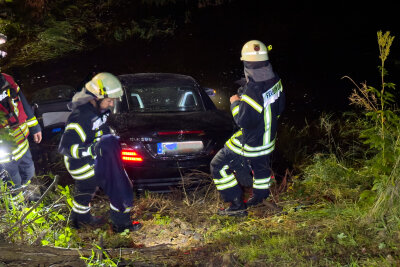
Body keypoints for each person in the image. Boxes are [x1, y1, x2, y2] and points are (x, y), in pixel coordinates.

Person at [58, 72, 142, 232]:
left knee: (85, 190)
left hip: (92, 159)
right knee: (120, 184)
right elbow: (65, 147)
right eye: (109, 100)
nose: (111, 104)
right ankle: (121, 225)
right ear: (96, 96)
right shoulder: (80, 117)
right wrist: (91, 149)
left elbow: (103, 132)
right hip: (81, 163)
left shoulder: (99, 111)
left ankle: (79, 221)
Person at [210, 40, 285, 216]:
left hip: (252, 143)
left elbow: (243, 121)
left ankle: (236, 205)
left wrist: (235, 103)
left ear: (246, 63)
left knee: (218, 165)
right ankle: (260, 196)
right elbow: (279, 109)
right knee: (260, 166)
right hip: (268, 140)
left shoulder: (253, 89)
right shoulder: (276, 80)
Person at [0, 33, 42, 195]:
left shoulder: (7, 80)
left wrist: (35, 127)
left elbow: (23, 104)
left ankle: (33, 207)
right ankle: (19, 216)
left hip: (22, 144)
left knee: (29, 174)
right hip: (4, 155)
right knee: (13, 185)